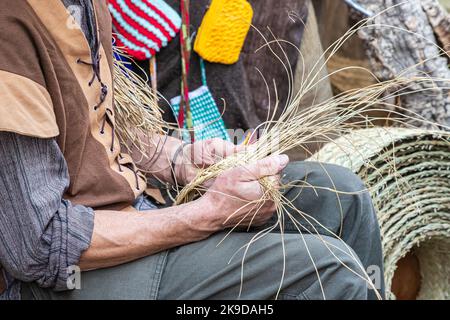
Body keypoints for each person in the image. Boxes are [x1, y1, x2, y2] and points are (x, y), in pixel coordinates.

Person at [0, 0, 384, 300]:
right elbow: (39, 245)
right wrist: (205, 214)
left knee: (340, 196)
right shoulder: (11, 27)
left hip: (137, 211)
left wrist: (179, 159)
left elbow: (88, 125)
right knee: (328, 272)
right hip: (72, 278)